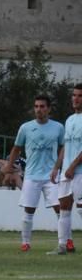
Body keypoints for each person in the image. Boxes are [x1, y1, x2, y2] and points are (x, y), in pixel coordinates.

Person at [4, 94, 64, 253]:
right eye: (36, 106)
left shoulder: (58, 127)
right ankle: (25, 242)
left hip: (51, 175)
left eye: (42, 106)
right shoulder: (25, 127)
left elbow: (63, 147)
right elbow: (16, 148)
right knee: (29, 209)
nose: (39, 110)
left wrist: (58, 167)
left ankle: (65, 242)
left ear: (49, 109)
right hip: (31, 175)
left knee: (60, 208)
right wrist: (8, 167)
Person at [52, 84, 82, 255]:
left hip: (79, 172)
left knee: (80, 208)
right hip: (66, 172)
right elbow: (66, 146)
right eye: (74, 95)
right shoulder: (70, 119)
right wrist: (57, 167)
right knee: (64, 208)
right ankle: (62, 245)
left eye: (79, 96)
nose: (76, 98)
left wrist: (72, 166)